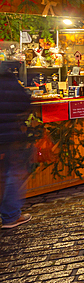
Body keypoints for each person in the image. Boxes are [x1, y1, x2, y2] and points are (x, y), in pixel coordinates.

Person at [1, 61, 33, 229]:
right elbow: (24, 102)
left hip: (6, 135)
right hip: (8, 135)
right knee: (13, 172)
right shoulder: (7, 78)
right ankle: (10, 215)